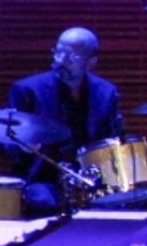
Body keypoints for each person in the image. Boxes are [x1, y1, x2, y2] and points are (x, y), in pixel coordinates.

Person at [7, 27, 124, 216]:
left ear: (91, 62)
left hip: (91, 179)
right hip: (44, 178)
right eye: (59, 52)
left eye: (72, 56)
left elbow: (114, 140)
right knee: (44, 203)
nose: (61, 60)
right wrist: (24, 147)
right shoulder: (27, 90)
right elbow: (8, 142)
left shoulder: (106, 92)